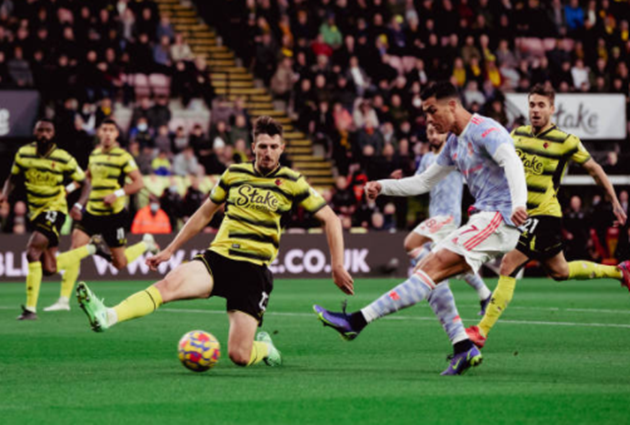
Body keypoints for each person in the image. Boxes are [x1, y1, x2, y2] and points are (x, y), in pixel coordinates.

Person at [76, 116, 354, 368]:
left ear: (282, 149)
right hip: (218, 259)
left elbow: (331, 219)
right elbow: (203, 214)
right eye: (262, 146)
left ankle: (266, 347)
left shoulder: (293, 181)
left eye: (273, 147)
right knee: (166, 286)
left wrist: (337, 266)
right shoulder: (233, 174)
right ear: (253, 146)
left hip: (253, 271)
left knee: (240, 356)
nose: (267, 152)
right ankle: (108, 315)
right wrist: (170, 249)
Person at [314, 82, 527, 375]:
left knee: (428, 267)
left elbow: (511, 161)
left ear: (451, 105)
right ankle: (462, 346)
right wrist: (383, 186)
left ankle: (356, 322)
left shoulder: (486, 130)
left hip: (499, 217)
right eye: (425, 113)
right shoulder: (453, 142)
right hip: (484, 218)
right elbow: (425, 181)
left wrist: (519, 204)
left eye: (431, 111)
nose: (428, 120)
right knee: (428, 272)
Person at [466, 85, 629, 348]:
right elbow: (497, 171)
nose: (536, 110)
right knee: (560, 271)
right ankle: (620, 272)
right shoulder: (515, 135)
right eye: (532, 105)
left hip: (545, 214)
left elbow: (595, 169)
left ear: (552, 109)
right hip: (521, 215)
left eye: (541, 105)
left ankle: (481, 331)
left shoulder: (565, 140)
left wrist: (614, 201)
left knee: (508, 264)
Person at [44, 119, 158, 312]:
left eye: (111, 130)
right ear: (99, 132)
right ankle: (63, 300)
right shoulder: (95, 154)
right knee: (75, 249)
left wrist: (117, 194)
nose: (107, 133)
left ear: (116, 134)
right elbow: (86, 178)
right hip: (92, 213)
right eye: (104, 129)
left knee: (119, 264)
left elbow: (138, 183)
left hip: (113, 216)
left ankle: (146, 244)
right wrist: (67, 189)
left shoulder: (123, 156)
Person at [0, 119, 101, 320]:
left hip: (55, 208)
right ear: (35, 133)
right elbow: (12, 178)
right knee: (49, 268)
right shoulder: (24, 153)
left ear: (53, 134)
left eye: (48, 130)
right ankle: (93, 248)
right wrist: (4, 196)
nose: (44, 134)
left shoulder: (63, 157)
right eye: (40, 130)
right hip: (35, 212)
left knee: (32, 251)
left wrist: (79, 204)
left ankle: (30, 309)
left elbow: (86, 182)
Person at [398, 123, 492, 315]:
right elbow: (418, 183)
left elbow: (474, 168)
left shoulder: (455, 155)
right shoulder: (426, 159)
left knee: (412, 244)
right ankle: (485, 294)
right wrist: (400, 182)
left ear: (445, 135)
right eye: (429, 132)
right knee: (454, 262)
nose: (433, 136)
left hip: (448, 217)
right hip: (436, 217)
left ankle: (431, 279)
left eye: (436, 132)